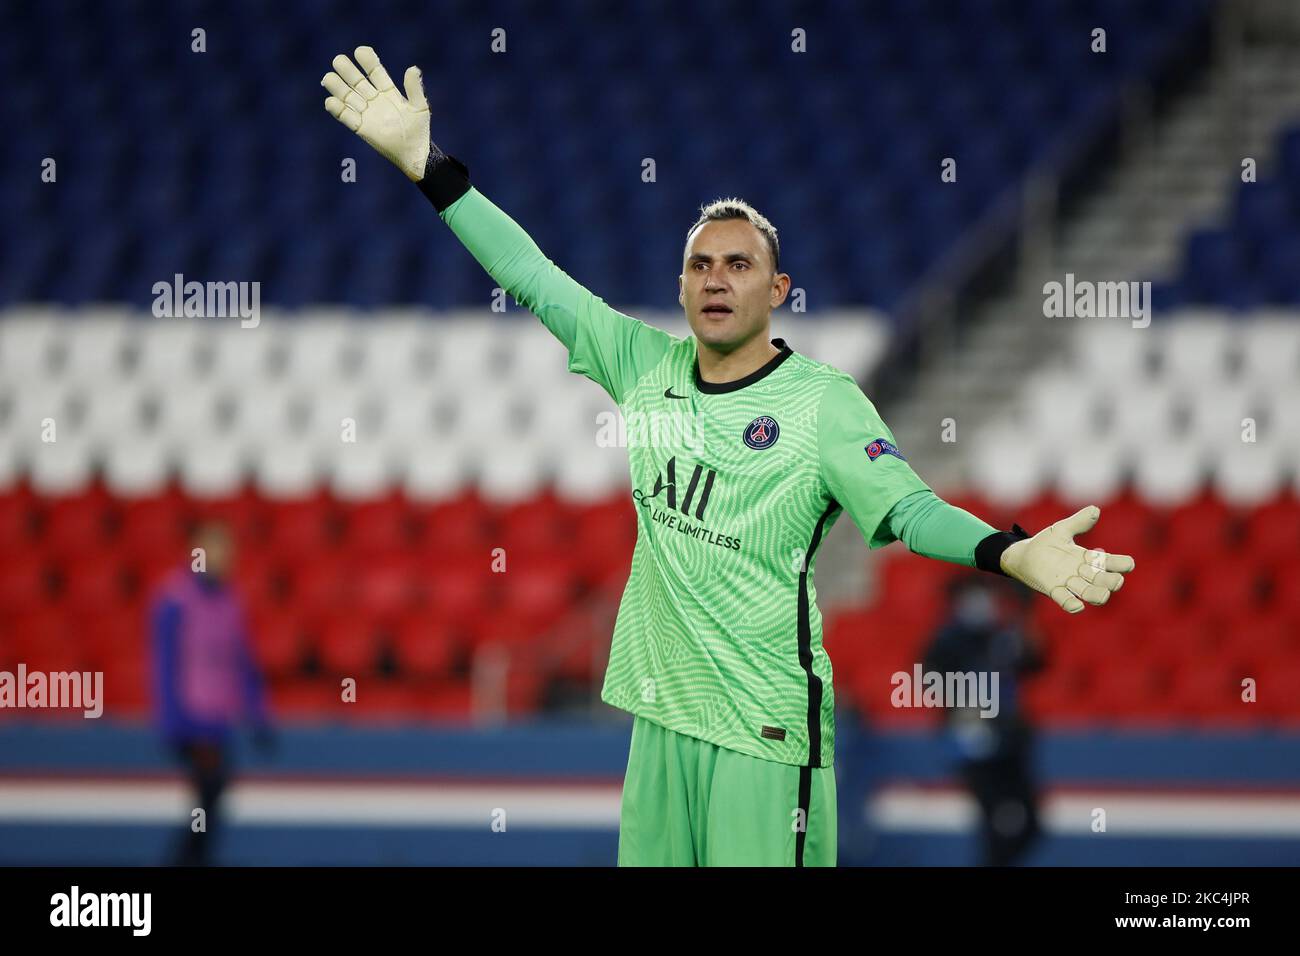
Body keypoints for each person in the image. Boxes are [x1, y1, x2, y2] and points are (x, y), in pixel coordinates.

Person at [320, 46, 1136, 866]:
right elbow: (532, 276)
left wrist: (1010, 550)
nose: (716, 278)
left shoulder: (822, 402)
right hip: (660, 718)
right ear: (680, 289)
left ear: (777, 291)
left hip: (765, 728)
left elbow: (909, 509)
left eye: (739, 264)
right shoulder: (643, 366)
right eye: (699, 265)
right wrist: (428, 167)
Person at [149, 520, 272, 866]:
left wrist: (258, 713)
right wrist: (174, 722)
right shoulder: (174, 599)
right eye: (213, 549)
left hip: (218, 721)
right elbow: (165, 663)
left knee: (211, 801)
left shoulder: (231, 601)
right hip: (192, 720)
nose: (221, 558)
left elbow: (243, 661)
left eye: (226, 551)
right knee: (207, 797)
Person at [922, 576, 1045, 866]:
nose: (981, 603)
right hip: (972, 747)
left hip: (1009, 743)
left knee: (1029, 824)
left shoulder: (1002, 636)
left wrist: (1026, 612)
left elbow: (1034, 660)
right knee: (995, 823)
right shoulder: (947, 641)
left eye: (986, 595)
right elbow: (930, 680)